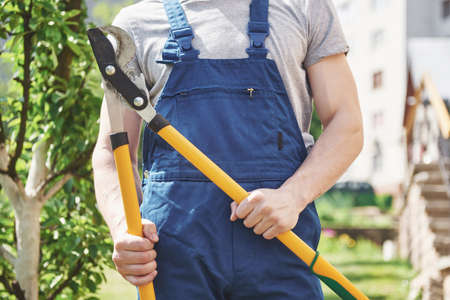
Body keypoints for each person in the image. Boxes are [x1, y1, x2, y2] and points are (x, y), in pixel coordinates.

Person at [92, 0, 363, 299]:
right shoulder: (135, 24)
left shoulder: (304, 7)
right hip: (173, 254)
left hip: (280, 245)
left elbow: (346, 124)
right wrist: (123, 227)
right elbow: (111, 151)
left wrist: (292, 196)